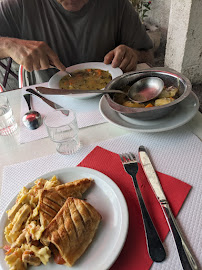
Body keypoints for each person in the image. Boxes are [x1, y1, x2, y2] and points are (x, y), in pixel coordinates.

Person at [0, 0, 153, 86]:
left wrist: (133, 55)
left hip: (107, 101)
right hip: (47, 106)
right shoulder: (18, 5)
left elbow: (147, 55)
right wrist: (8, 45)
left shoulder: (117, 5)